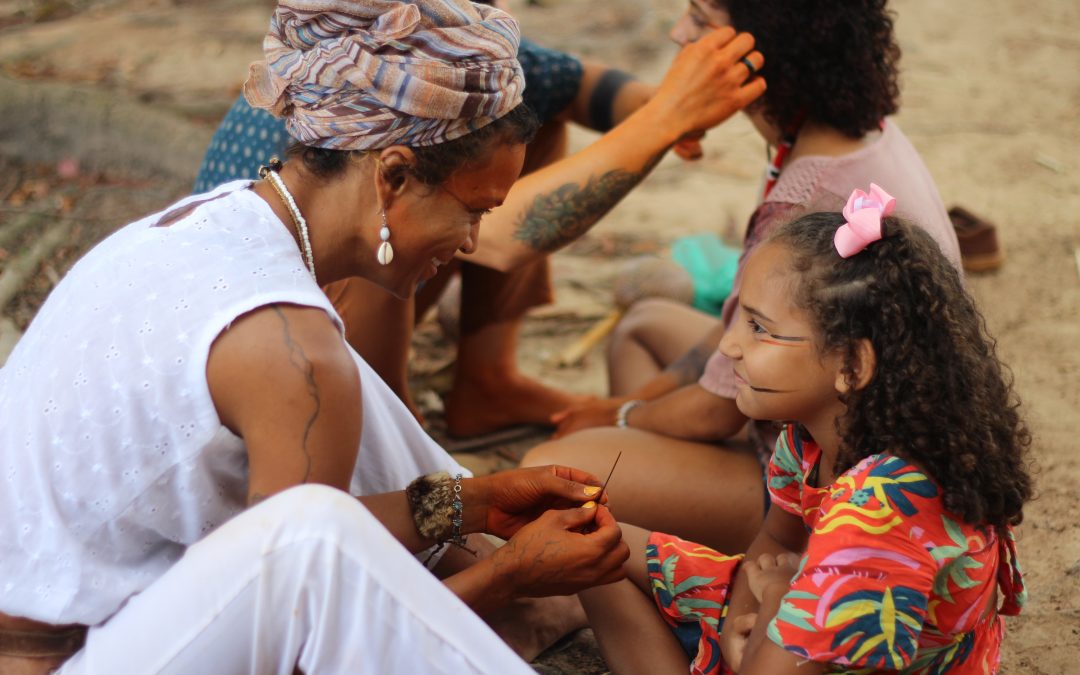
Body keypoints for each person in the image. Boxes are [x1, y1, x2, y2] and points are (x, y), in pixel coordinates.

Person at [0, 2, 642, 672]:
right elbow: (304, 614)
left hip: (107, 617)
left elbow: (303, 539)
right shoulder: (293, 351)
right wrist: (508, 577)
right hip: (62, 659)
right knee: (330, 412)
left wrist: (473, 502)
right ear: (392, 176)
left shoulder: (205, 224)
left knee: (354, 417)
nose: (471, 243)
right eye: (472, 211)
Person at [193, 1, 767, 437]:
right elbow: (497, 239)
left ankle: (485, 384)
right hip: (292, 319)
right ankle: (389, 408)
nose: (677, 32)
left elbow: (581, 86)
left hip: (367, 246)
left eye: (697, 15)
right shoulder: (376, 86)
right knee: (387, 235)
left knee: (522, 122)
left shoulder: (446, 42)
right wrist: (666, 118)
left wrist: (671, 104)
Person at [525, 0, 963, 555]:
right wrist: (636, 410)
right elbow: (738, 331)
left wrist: (622, 415)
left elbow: (714, 412)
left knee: (545, 470)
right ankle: (657, 517)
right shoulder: (853, 136)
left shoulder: (806, 203)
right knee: (643, 324)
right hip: (813, 406)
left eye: (702, 21)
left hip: (827, 485)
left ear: (767, 45)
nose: (678, 32)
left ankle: (702, 561)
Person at [579, 189, 1032, 674]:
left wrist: (775, 599)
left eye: (758, 327)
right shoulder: (810, 439)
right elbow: (774, 542)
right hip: (800, 627)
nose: (729, 345)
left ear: (853, 365)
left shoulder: (879, 510)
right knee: (590, 541)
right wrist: (742, 619)